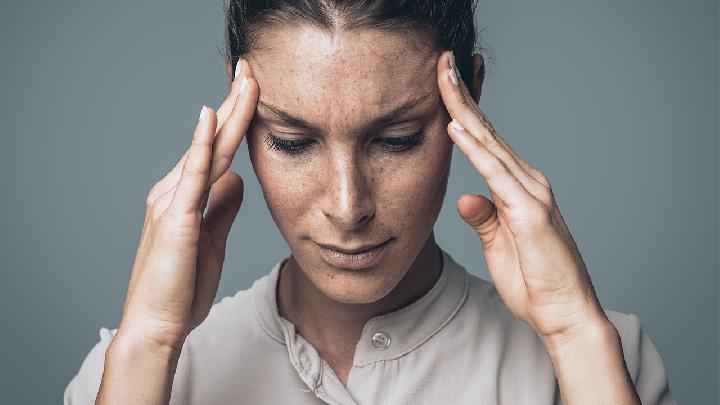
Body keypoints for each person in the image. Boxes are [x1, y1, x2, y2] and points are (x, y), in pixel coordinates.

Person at [64, 1, 677, 404]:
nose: (348, 205)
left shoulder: (601, 362)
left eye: (397, 139)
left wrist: (573, 334)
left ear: (471, 94)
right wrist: (147, 343)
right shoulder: (132, 374)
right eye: (293, 141)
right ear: (239, 112)